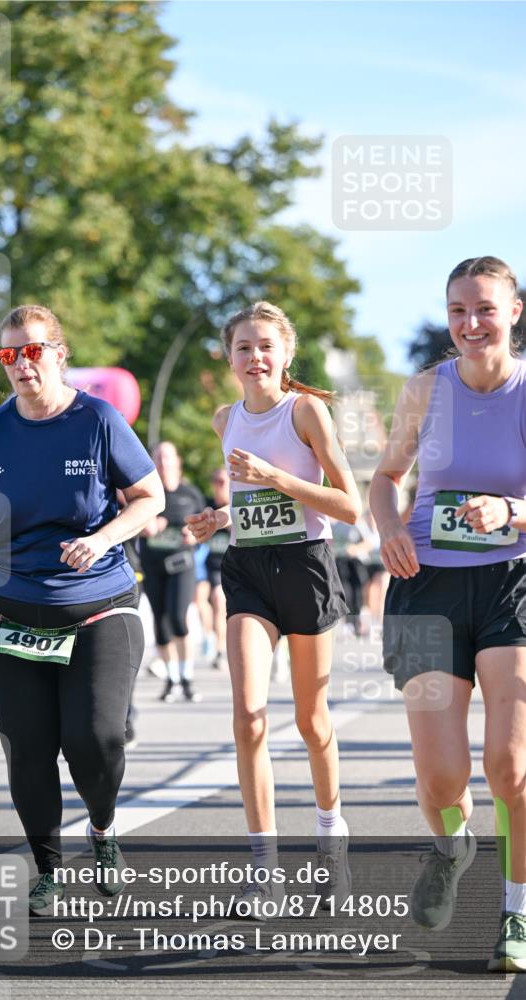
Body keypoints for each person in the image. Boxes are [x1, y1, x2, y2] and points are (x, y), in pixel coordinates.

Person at [0, 304, 164, 916]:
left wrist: (106, 537)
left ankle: (104, 830)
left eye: (33, 350)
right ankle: (48, 867)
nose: (22, 364)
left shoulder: (99, 419)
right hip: (7, 608)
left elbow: (149, 497)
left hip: (96, 603)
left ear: (59, 354)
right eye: (10, 355)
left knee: (95, 738)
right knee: (28, 744)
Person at [369, 257, 526, 972]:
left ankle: (514, 913)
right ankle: (450, 845)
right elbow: (383, 479)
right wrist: (388, 529)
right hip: (425, 584)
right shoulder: (424, 391)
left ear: (513, 311)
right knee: (439, 777)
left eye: (484, 308)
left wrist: (510, 510)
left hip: (509, 583)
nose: (469, 324)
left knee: (509, 766)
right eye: (457, 310)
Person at [186, 301, 361, 916]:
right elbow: (250, 502)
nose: (254, 357)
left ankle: (331, 835)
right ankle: (265, 874)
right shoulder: (223, 417)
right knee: (250, 717)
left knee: (312, 722)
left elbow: (348, 506)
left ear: (286, 356)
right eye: (243, 347)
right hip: (249, 572)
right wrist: (220, 517)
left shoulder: (306, 411)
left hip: (307, 567)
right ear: (230, 358)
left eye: (265, 346)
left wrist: (277, 478)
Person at [139, 442, 205, 703]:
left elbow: (206, 526)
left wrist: (195, 535)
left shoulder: (191, 494)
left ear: (178, 462)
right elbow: (131, 516)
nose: (163, 462)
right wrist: (146, 524)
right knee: (160, 624)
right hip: (152, 566)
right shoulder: (146, 493)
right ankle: (171, 678)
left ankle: (187, 677)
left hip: (181, 566)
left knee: (178, 618)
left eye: (168, 457)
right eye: (158, 457)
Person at [205, 467, 231, 670]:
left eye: (223, 481)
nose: (219, 486)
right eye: (216, 481)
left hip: (237, 565)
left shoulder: (238, 505)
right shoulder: (208, 505)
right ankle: (219, 647)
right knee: (216, 599)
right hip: (213, 567)